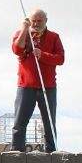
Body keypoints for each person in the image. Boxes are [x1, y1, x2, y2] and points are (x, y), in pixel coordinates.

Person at [9, 8, 64, 153]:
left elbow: (60, 59)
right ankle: (16, 150)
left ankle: (51, 151)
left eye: (39, 21)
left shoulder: (54, 37)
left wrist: (43, 55)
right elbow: (16, 49)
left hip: (48, 86)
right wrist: (24, 29)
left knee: (49, 122)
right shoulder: (22, 34)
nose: (36, 23)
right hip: (26, 85)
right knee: (20, 121)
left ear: (46, 20)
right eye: (33, 21)